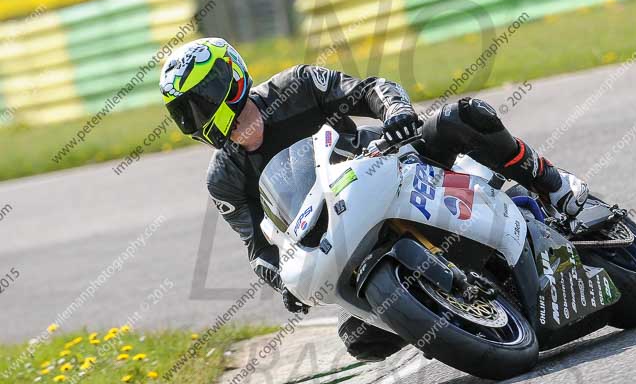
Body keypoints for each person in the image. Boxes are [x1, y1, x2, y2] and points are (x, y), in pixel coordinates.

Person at [160, 37, 588, 361]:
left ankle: (552, 183)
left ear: (229, 80)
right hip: (339, 232)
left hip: (392, 164)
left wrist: (396, 113)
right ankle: (448, 310)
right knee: (359, 339)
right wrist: (283, 281)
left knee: (462, 118)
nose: (196, 119)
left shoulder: (296, 86)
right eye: (185, 112)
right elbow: (259, 247)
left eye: (200, 102)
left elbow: (369, 88)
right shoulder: (224, 179)